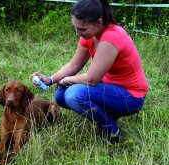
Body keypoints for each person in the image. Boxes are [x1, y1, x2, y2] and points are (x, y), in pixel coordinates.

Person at [33, 0, 149, 143]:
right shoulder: (90, 35)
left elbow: (92, 79)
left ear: (99, 23)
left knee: (73, 94)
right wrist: (50, 80)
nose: (77, 33)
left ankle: (111, 131)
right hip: (110, 87)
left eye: (82, 29)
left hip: (131, 96)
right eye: (75, 28)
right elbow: (74, 64)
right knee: (61, 96)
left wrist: (66, 80)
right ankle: (109, 115)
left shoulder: (112, 36)